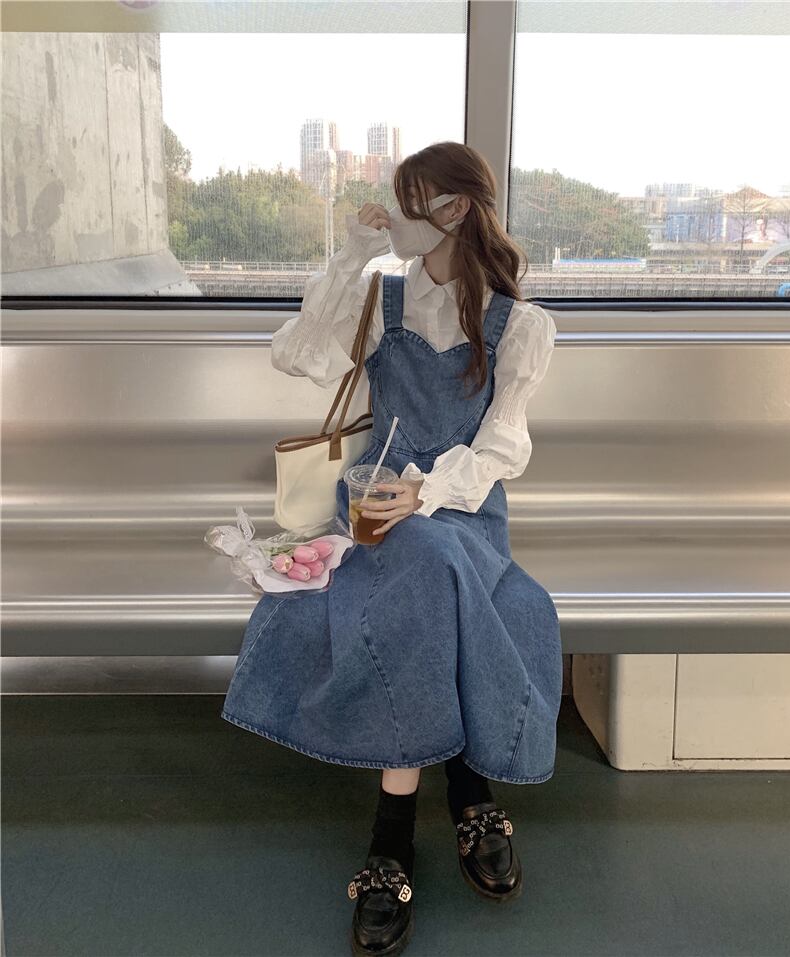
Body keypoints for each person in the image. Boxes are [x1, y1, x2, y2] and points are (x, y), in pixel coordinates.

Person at [221, 141, 562, 957]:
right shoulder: (384, 298)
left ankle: (392, 831)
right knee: (423, 570)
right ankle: (469, 792)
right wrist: (351, 254)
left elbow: (502, 447)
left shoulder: (519, 324)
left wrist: (427, 492)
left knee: (435, 563)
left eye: (406, 201)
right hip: (372, 507)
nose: (390, 213)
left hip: (462, 511)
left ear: (452, 211)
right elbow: (296, 354)